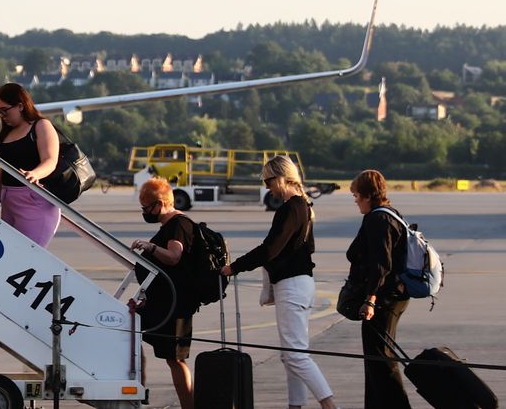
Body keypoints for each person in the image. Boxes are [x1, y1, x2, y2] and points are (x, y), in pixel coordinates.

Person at [221, 156, 339, 409]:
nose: (267, 188)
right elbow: (307, 248)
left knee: (296, 356)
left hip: (292, 286)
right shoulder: (304, 206)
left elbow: (270, 249)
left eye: (268, 181)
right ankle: (295, 405)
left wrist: (234, 267)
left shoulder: (290, 208)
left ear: (282, 178)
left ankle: (330, 405)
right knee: (291, 355)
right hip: (301, 284)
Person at [345, 169, 411, 408]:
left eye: (356, 196)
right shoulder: (390, 214)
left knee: (382, 359)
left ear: (366, 195)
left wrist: (370, 299)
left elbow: (381, 265)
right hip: (392, 295)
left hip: (384, 298)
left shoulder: (378, 219)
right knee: (375, 358)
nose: (355, 201)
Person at [129, 176, 195, 409]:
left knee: (176, 359)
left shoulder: (178, 225)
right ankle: (136, 394)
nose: (145, 212)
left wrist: (151, 247)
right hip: (160, 302)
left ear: (160, 204)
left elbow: (174, 257)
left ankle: (189, 405)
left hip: (173, 305)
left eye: (147, 208)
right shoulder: (168, 227)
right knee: (132, 336)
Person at [0, 83, 60, 247]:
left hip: (33, 202)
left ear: (20, 106)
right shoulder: (5, 134)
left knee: (29, 257)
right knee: (10, 257)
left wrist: (35, 174)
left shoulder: (40, 126)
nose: (2, 115)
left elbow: (50, 161)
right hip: (8, 202)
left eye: (5, 110)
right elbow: (2, 173)